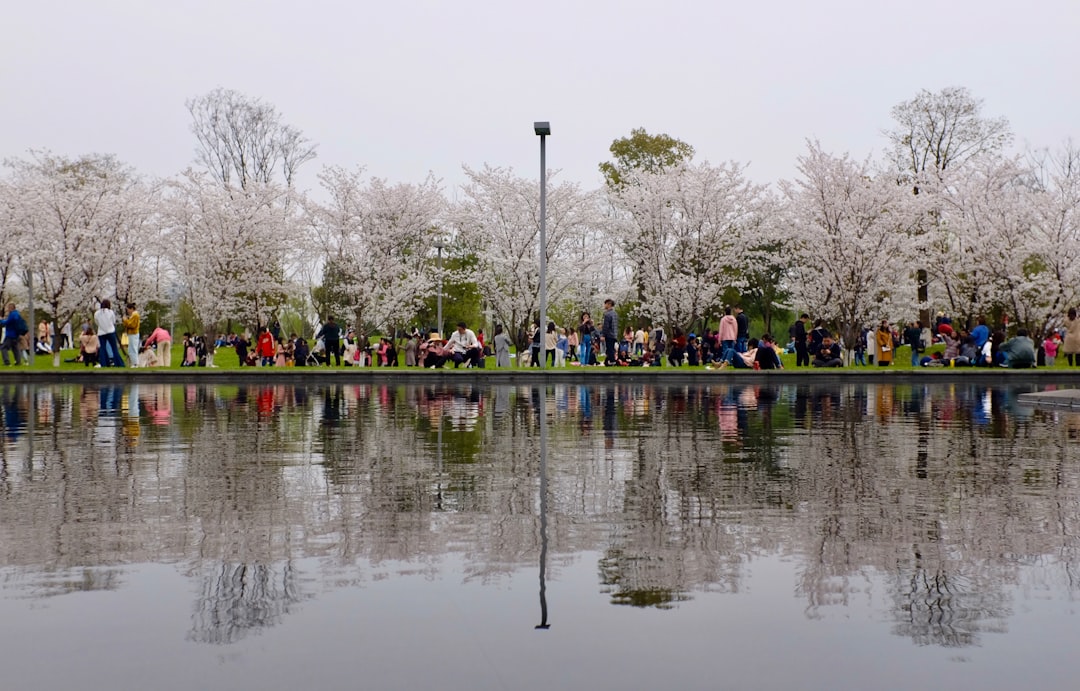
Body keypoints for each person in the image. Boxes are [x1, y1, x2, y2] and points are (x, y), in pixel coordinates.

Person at [94, 299, 125, 367]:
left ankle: (104, 363)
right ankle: (118, 363)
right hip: (110, 331)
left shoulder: (97, 313)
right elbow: (113, 321)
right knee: (114, 348)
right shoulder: (110, 312)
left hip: (101, 332)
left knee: (103, 348)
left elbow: (96, 322)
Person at [122, 303, 141, 367]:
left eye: (128, 310)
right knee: (131, 349)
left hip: (133, 333)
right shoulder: (134, 315)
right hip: (132, 334)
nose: (128, 311)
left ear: (132, 309)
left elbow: (131, 325)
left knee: (133, 349)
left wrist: (125, 320)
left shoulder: (135, 315)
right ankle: (134, 363)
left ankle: (135, 363)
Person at [601, 299, 617, 366]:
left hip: (609, 334)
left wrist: (603, 335)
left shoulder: (607, 314)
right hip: (614, 334)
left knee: (609, 348)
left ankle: (611, 361)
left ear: (609, 304)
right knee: (612, 348)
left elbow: (606, 326)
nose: (604, 305)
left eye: (605, 304)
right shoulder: (615, 314)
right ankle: (610, 360)